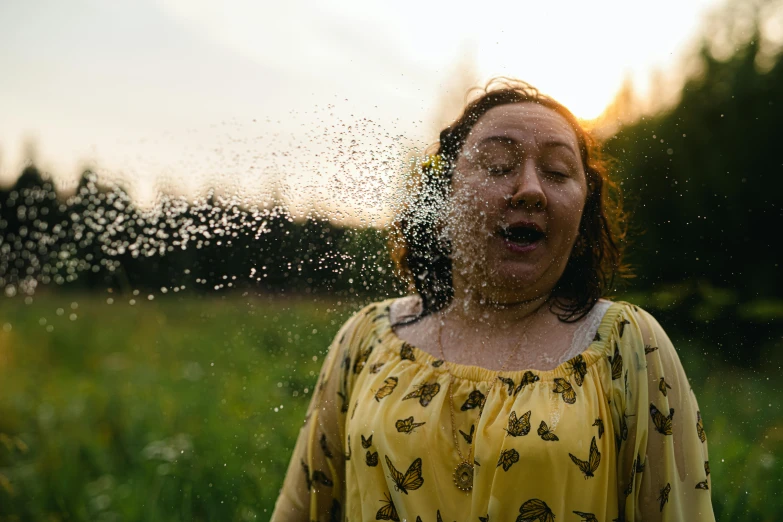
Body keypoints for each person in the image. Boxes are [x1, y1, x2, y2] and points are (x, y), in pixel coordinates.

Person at [271, 78, 715, 521]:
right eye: (499, 165)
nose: (530, 190)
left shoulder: (628, 344)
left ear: (583, 218)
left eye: (558, 173)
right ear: (442, 199)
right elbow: (302, 508)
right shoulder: (367, 338)